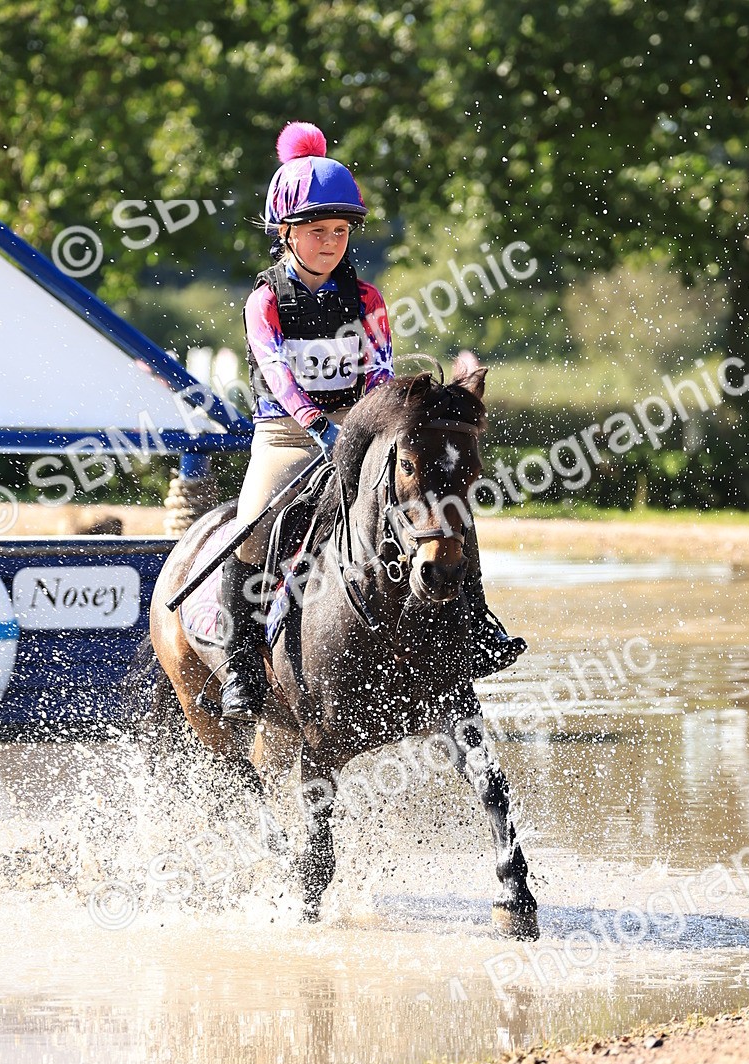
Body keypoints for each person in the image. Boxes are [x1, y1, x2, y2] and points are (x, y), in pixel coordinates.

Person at [219, 121, 525, 722]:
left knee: (444, 512)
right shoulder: (266, 301)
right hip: (286, 431)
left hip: (360, 428)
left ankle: (477, 629)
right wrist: (316, 424)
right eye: (316, 231)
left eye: (339, 230)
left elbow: (379, 375)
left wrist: (372, 429)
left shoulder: (369, 300)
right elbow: (276, 372)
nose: (330, 241)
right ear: (286, 233)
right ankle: (239, 666)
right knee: (255, 530)